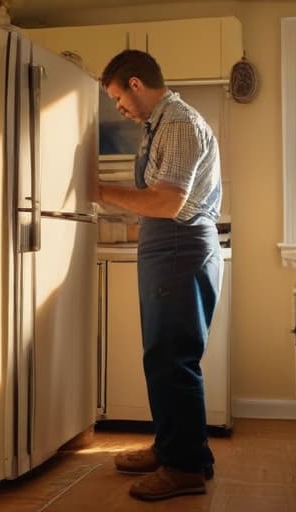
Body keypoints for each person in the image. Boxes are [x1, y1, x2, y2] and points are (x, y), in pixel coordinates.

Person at [98, 49, 222, 501]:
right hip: (167, 247)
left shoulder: (180, 124)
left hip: (179, 246)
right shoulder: (160, 125)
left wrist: (100, 191)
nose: (119, 108)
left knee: (173, 358)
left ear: (135, 83)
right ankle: (174, 448)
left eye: (117, 97)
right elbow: (158, 199)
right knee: (161, 356)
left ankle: (185, 468)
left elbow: (168, 203)